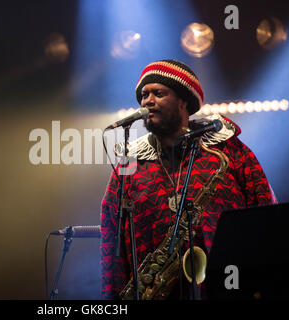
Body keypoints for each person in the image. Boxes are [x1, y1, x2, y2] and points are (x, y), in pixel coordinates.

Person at [100, 60, 277, 300]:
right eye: (144, 95)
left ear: (184, 100)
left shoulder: (227, 149)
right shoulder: (129, 163)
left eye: (158, 93)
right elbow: (111, 235)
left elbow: (266, 212)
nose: (147, 101)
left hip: (229, 286)